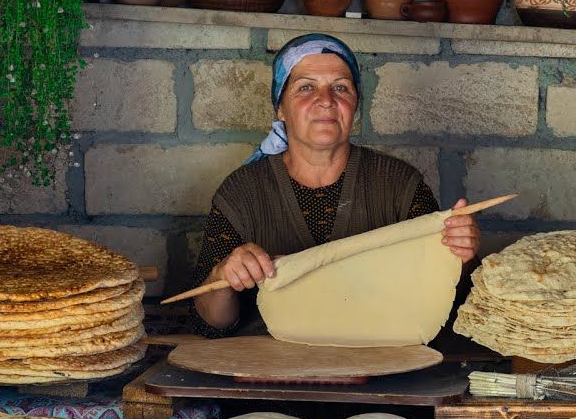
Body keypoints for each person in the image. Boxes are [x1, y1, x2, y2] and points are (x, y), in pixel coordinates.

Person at [191, 33, 481, 337]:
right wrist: (224, 276)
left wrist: (462, 255)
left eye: (340, 87)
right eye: (306, 88)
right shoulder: (242, 192)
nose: (326, 101)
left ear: (355, 104)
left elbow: (451, 300)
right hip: (267, 370)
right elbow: (209, 322)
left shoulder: (399, 186)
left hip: (381, 363)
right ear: (280, 107)